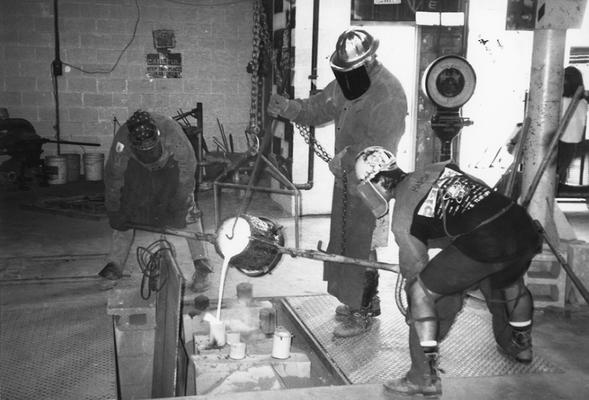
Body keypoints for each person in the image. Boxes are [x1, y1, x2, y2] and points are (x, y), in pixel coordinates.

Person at [354, 146, 542, 397]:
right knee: (509, 283)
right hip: (519, 223)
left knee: (421, 294)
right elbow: (475, 194)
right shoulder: (437, 168)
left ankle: (422, 377)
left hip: (485, 239)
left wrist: (421, 296)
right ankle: (521, 346)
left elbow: (415, 269)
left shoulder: (403, 218)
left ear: (376, 182)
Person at [267, 27, 407, 337]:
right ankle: (356, 301)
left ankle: (363, 312)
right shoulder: (348, 82)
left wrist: (346, 158)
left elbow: (383, 148)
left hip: (373, 184)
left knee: (361, 245)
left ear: (369, 62)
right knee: (343, 242)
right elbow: (319, 107)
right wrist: (289, 108)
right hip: (345, 181)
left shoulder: (388, 92)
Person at [99, 109, 212, 292]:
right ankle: (114, 264)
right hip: (138, 168)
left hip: (170, 165)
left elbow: (188, 170)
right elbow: (114, 177)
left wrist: (180, 200)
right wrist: (114, 210)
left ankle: (201, 265)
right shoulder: (123, 139)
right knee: (124, 209)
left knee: (189, 211)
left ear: (158, 136)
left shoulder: (172, 132)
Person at [557, 66, 588, 185]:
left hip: (560, 141)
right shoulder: (583, 102)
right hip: (573, 143)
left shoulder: (562, 101)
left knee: (554, 172)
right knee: (560, 172)